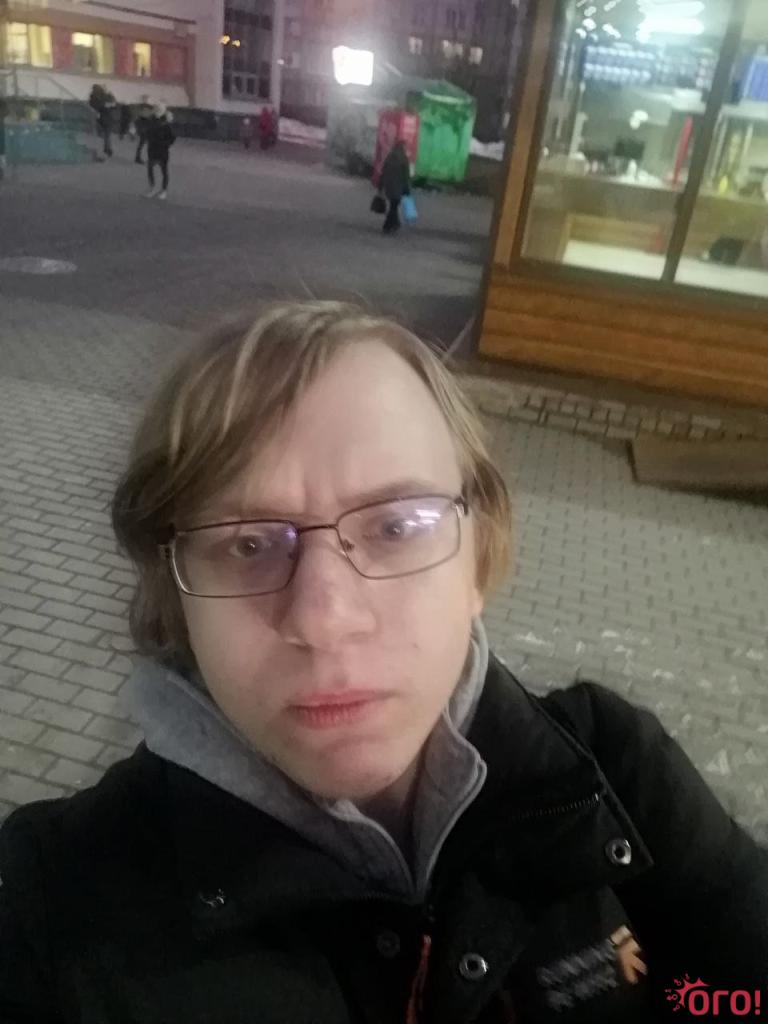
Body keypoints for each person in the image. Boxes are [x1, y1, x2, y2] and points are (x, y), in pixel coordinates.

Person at [0, 301, 766, 1022]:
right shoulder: (51, 902)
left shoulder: (612, 771)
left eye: (396, 526)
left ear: (478, 558)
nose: (324, 619)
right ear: (176, 597)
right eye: (248, 543)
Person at [378, 139, 411, 235]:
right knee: (394, 207)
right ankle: (387, 226)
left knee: (393, 206)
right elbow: (406, 176)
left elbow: (383, 172)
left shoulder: (389, 157)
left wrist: (380, 186)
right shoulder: (404, 159)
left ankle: (395, 224)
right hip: (398, 187)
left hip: (389, 186)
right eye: (405, 146)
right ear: (402, 147)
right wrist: (407, 188)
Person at [144, 102, 175, 200]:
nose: (157, 111)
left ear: (163, 110)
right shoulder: (151, 120)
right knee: (150, 168)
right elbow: (147, 131)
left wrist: (165, 144)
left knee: (164, 170)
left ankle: (164, 190)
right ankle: (152, 188)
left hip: (162, 151)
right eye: (156, 109)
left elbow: (172, 137)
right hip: (152, 149)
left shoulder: (166, 122)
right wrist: (149, 138)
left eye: (159, 109)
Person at [88, 83, 116, 159]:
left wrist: (107, 104)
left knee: (105, 135)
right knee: (106, 135)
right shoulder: (98, 96)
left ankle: (107, 149)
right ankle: (106, 149)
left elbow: (112, 104)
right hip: (105, 118)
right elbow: (108, 105)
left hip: (103, 118)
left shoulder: (97, 96)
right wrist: (107, 105)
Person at [134, 96, 152, 165]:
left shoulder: (148, 107)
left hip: (146, 128)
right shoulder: (141, 107)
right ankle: (138, 157)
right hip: (144, 128)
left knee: (144, 144)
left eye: (146, 99)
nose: (146, 100)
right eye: (145, 99)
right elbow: (137, 120)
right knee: (142, 144)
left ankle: (139, 157)